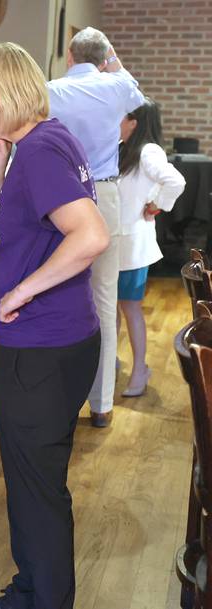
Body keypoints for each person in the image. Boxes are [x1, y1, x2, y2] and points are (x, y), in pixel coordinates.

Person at [0, 43, 109, 609]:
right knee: (31, 480)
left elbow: (89, 237)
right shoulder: (45, 140)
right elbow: (19, 231)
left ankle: (44, 601)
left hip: (41, 346)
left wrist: (21, 290)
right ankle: (31, 590)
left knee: (37, 487)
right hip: (56, 341)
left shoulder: (42, 149)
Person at [47, 27, 145, 428]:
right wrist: (111, 58)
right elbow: (135, 91)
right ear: (103, 58)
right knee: (104, 302)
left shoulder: (49, 89)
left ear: (69, 57)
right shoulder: (117, 85)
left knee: (57, 297)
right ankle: (101, 404)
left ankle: (57, 399)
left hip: (60, 197)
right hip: (104, 196)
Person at [117, 98, 185, 396]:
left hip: (133, 245)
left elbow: (175, 181)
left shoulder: (148, 151)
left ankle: (140, 369)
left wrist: (156, 204)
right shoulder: (123, 150)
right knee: (110, 308)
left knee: (129, 307)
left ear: (134, 121)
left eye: (120, 117)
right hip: (113, 244)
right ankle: (112, 362)